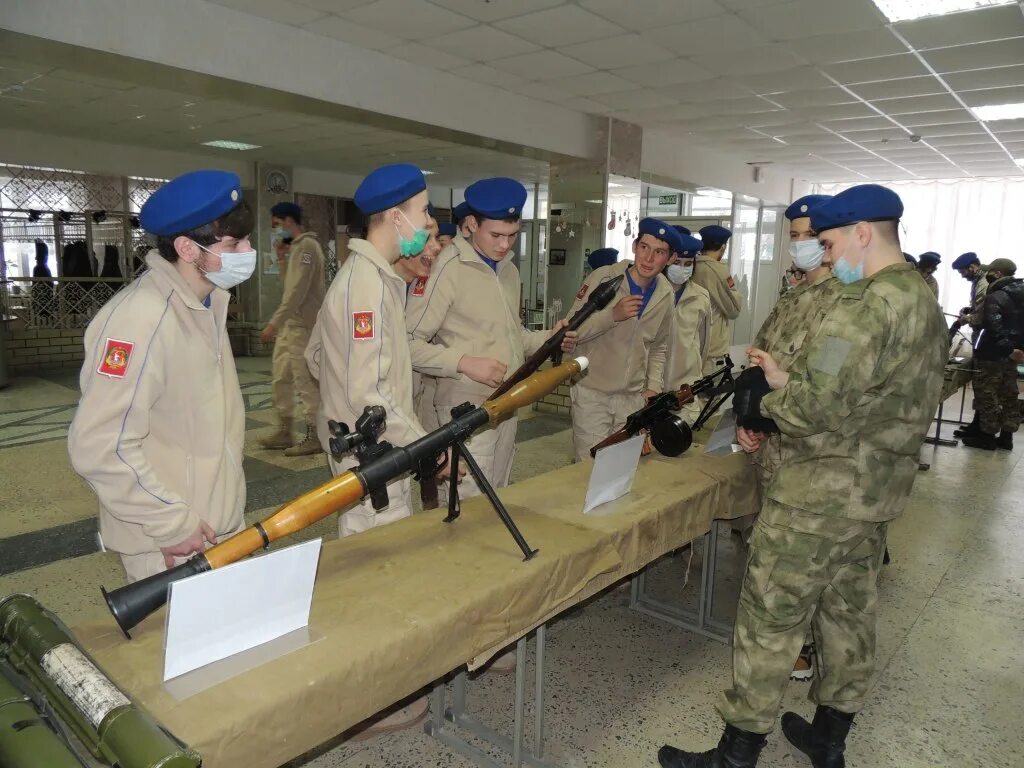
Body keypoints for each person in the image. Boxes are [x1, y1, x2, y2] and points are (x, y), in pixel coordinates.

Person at [659, 185, 947, 768]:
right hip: (875, 491)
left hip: (819, 491)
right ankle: (829, 736)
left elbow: (815, 407)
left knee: (769, 615)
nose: (826, 251)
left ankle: (737, 752)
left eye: (831, 240)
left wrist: (765, 400)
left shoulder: (861, 303)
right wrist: (795, 379)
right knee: (849, 612)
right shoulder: (917, 294)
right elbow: (871, 394)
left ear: (863, 233)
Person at [68, 170, 255, 583]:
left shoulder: (206, 306)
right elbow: (100, 445)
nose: (249, 251)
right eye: (234, 244)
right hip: (170, 545)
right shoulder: (141, 320)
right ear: (188, 249)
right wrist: (171, 523)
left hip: (213, 526)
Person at [305, 163, 452, 538]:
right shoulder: (364, 288)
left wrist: (338, 391)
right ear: (395, 217)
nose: (427, 222)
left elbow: (318, 356)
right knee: (379, 561)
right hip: (374, 456)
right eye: (423, 212)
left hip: (385, 448)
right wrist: (428, 448)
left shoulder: (374, 278)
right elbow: (367, 394)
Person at [406, 177, 575, 501]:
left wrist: (548, 338)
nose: (504, 245)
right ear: (471, 224)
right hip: (464, 407)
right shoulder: (446, 269)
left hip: (506, 403)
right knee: (464, 507)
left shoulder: (508, 271)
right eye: (496, 235)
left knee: (497, 498)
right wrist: (464, 363)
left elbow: (512, 336)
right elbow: (408, 344)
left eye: (512, 236)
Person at [741, 194, 842, 681]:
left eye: (810, 237)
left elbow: (822, 387)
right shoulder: (795, 293)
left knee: (797, 560)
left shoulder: (843, 301)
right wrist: (751, 420)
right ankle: (789, 645)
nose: (800, 246)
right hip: (775, 438)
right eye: (794, 237)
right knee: (777, 551)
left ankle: (800, 650)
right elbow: (764, 361)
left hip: (808, 449)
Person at [567, 218, 675, 461]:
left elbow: (659, 346)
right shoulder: (604, 279)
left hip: (632, 399)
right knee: (587, 471)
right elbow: (572, 331)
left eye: (659, 252)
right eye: (644, 247)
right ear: (635, 246)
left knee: (621, 471)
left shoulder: (665, 293)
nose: (648, 258)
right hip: (592, 393)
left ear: (669, 259)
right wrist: (612, 316)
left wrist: (653, 387)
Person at [259, 202, 326, 456]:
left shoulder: (308, 246)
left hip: (303, 327)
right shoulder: (295, 248)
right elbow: (288, 284)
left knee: (304, 381)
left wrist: (273, 323)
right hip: (290, 325)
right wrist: (281, 258)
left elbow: (298, 292)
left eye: (277, 224)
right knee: (281, 377)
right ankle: (284, 430)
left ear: (289, 221)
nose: (275, 230)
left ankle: (315, 435)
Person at [961, 258, 1024, 451]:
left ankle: (986, 437)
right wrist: (1016, 349)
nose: (987, 275)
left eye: (990, 272)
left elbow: (993, 325)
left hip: (992, 353)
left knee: (987, 394)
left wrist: (970, 318)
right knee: (1009, 394)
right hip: (1014, 354)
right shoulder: (1020, 293)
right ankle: (1007, 437)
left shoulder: (996, 295)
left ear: (998, 274)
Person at [664, 231, 711, 426]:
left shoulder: (701, 296)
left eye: (688, 263)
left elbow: (704, 344)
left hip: (685, 388)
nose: (682, 268)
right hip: (650, 387)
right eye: (677, 263)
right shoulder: (651, 293)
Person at [691, 224, 744, 375]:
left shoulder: (692, 266)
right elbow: (734, 309)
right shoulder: (718, 270)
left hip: (693, 345)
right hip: (712, 350)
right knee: (711, 397)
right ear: (723, 247)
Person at [951, 252, 988, 438]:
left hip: (985, 341)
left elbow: (981, 318)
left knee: (984, 386)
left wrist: (965, 318)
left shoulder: (983, 284)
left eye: (963, 271)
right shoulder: (977, 282)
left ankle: (982, 429)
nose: (962, 275)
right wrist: (969, 310)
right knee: (980, 385)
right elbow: (979, 308)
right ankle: (977, 424)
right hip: (982, 339)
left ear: (973, 266)